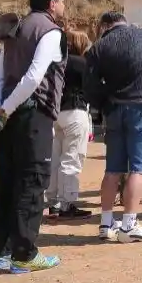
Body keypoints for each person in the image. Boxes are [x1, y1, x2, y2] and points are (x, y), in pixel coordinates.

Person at [0, 0, 67, 273]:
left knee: (6, 181)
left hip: (8, 118)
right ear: (52, 4)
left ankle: (2, 252)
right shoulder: (50, 31)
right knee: (31, 182)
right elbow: (34, 77)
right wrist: (5, 110)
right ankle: (24, 254)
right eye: (61, 2)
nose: (63, 6)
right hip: (34, 116)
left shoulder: (15, 29)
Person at [85, 12, 142, 242]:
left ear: (105, 26)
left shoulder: (100, 46)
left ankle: (106, 223)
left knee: (113, 169)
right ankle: (129, 225)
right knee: (139, 169)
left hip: (115, 110)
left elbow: (89, 86)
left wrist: (104, 105)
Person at [47, 30, 92, 220]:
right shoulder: (82, 64)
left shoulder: (56, 63)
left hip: (56, 113)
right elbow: (92, 89)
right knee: (72, 159)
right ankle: (67, 203)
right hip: (76, 111)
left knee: (55, 160)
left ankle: (53, 203)